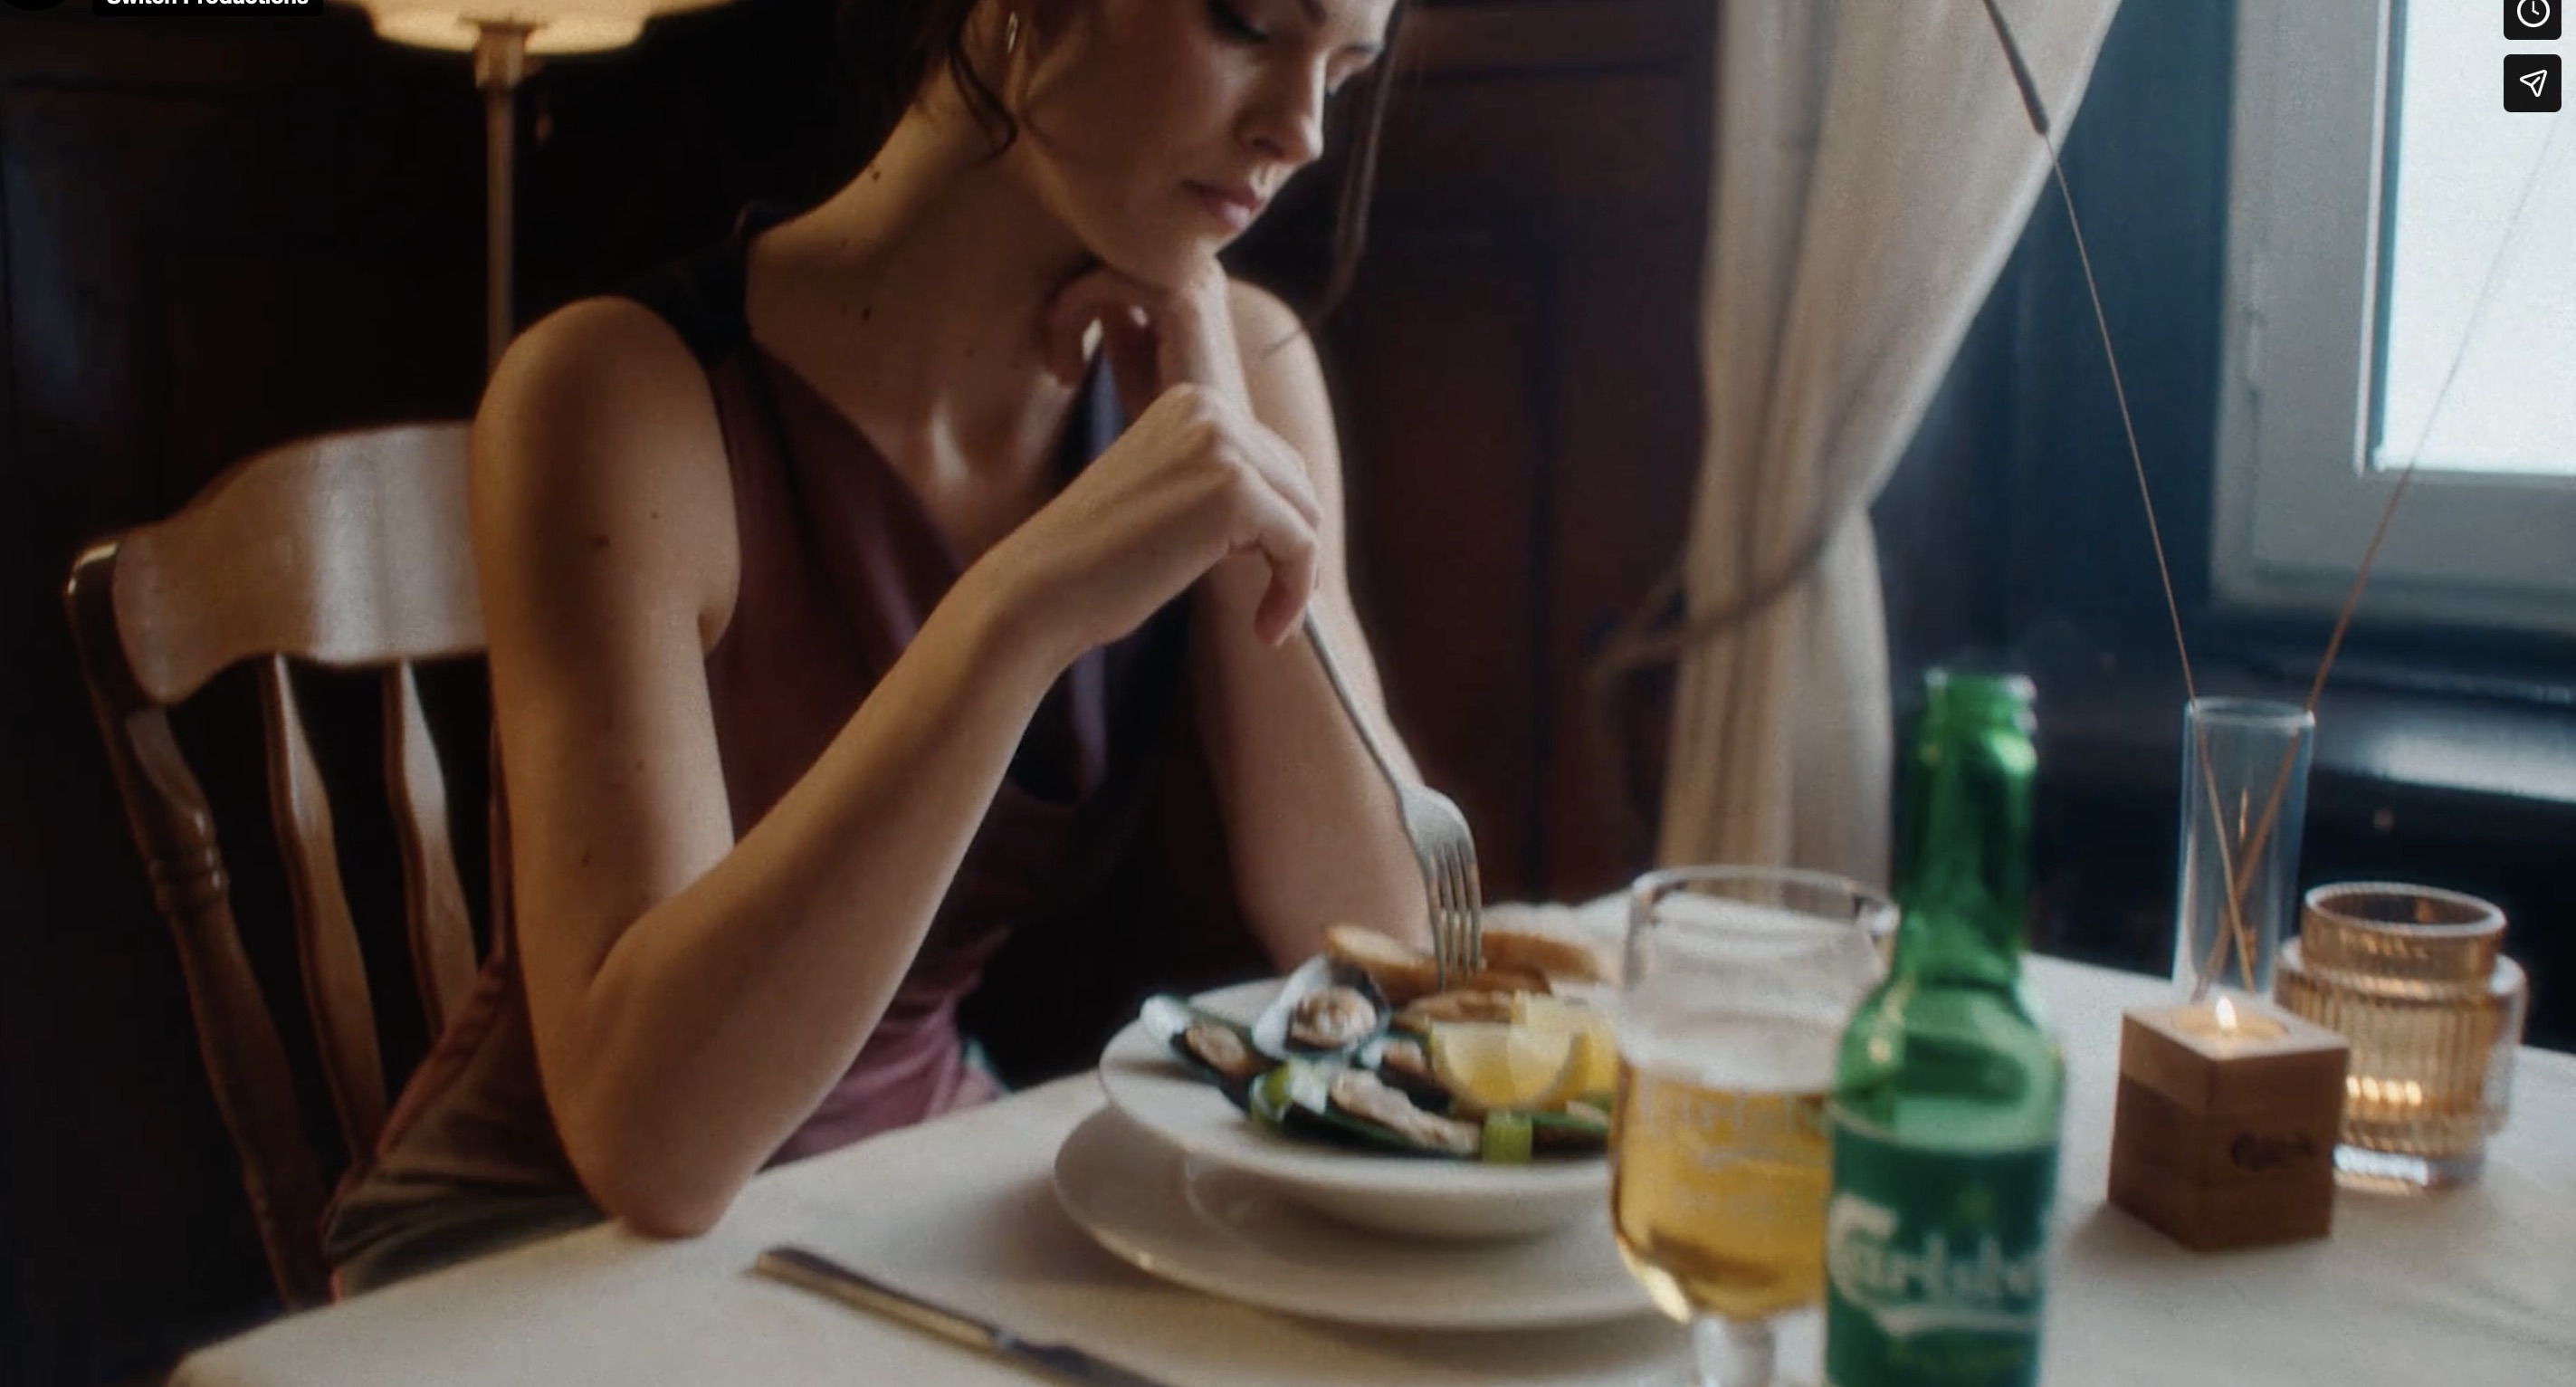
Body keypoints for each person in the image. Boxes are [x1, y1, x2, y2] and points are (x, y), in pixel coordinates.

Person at [320, 0, 1428, 1293]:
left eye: (1345, 71)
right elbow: (653, 1149)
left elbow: (1377, 939)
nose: (1301, 131)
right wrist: (1023, 611)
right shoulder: (621, 393)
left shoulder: (1239, 365)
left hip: (902, 1186)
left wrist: (1241, 507)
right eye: (1249, 24)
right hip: (543, 1246)